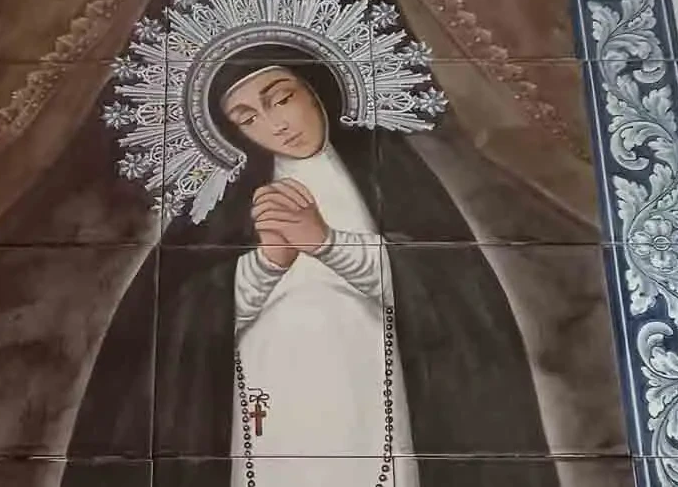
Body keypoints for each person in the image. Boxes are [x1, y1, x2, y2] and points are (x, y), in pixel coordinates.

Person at [64, 46, 560, 487]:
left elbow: (447, 288)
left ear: (315, 88)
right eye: (247, 118)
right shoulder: (226, 207)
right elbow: (180, 320)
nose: (275, 124)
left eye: (281, 98)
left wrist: (326, 243)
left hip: (372, 393)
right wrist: (266, 264)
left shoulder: (392, 177)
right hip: (272, 403)